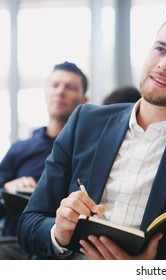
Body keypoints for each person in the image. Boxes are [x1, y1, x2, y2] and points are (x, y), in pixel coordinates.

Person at [18, 0, 166, 260]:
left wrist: (147, 272)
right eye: (160, 49)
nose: (164, 64)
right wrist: (59, 232)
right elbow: (29, 223)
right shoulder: (85, 121)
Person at [0, 61, 88, 259]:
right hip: (15, 244)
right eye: (55, 85)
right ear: (46, 92)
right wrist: (7, 189)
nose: (60, 91)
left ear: (84, 100)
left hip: (67, 248)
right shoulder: (20, 149)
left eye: (70, 87)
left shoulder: (89, 152)